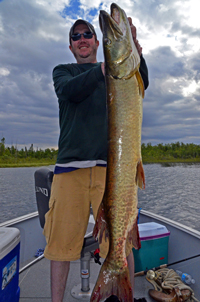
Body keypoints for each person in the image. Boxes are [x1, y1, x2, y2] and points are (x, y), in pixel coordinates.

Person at [43, 17, 149, 302]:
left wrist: (135, 49)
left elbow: (141, 82)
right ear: (71, 45)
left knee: (121, 242)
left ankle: (122, 289)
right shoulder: (63, 72)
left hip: (111, 170)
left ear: (97, 42)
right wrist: (105, 68)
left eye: (88, 34)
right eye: (76, 36)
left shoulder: (117, 73)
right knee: (60, 247)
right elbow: (69, 91)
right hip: (70, 171)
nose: (83, 39)